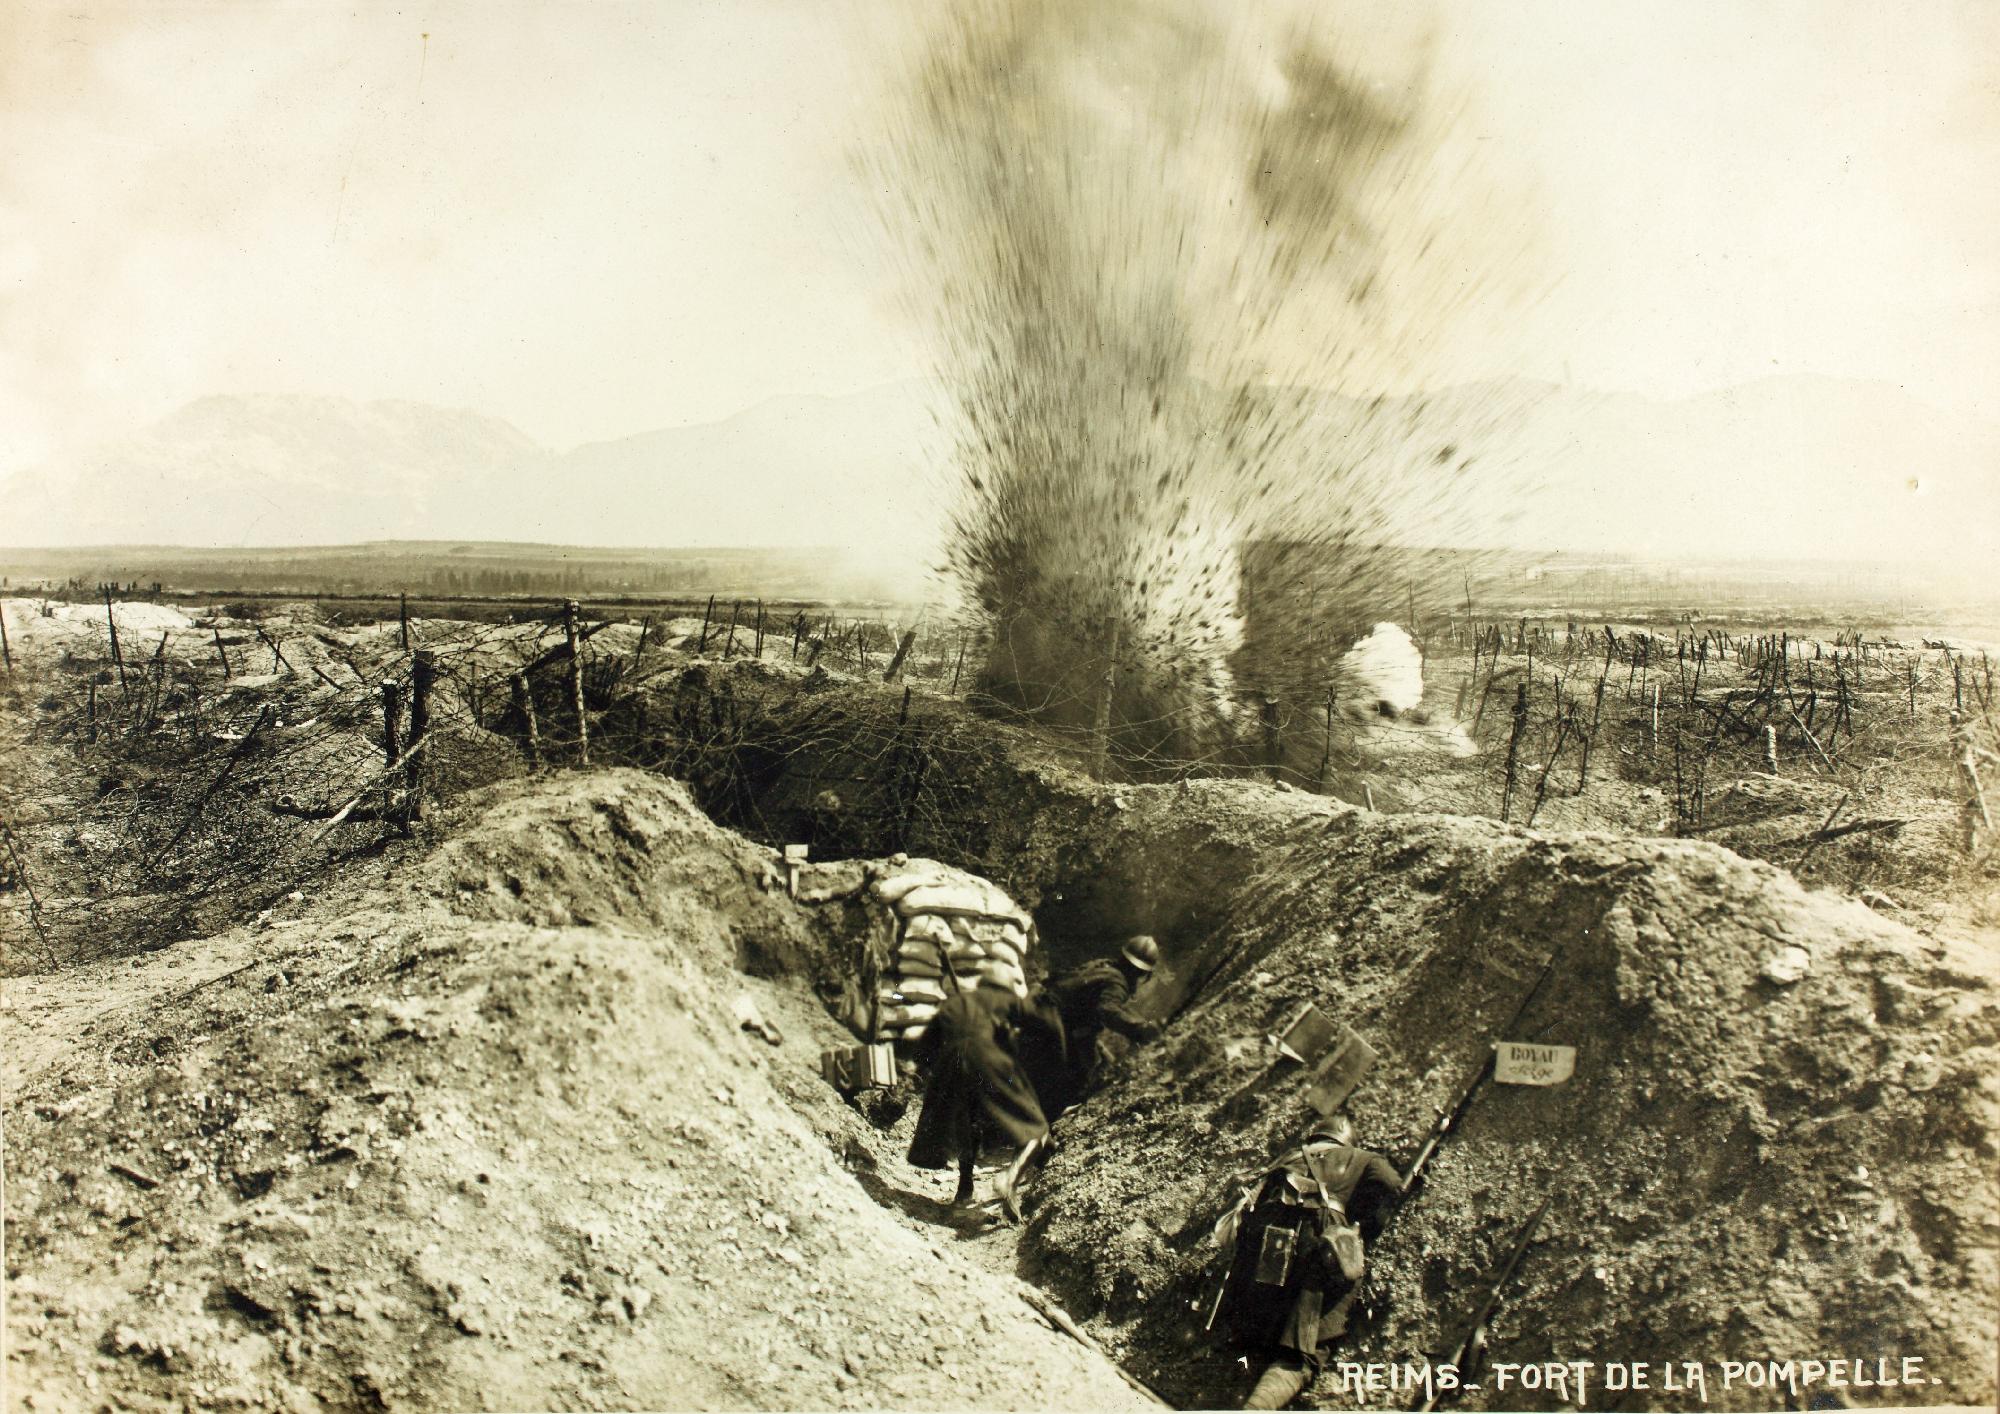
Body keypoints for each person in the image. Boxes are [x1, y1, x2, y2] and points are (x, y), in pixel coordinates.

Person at [1213, 1115, 1407, 1410]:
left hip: (1268, 1243)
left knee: (1261, 1324)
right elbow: (1394, 1185)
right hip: (1317, 1238)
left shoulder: (1290, 1155)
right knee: (1304, 1350)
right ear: (1347, 1141)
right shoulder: (1363, 1158)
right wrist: (1362, 1220)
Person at [905, 976, 1051, 1222]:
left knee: (967, 1124)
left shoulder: (955, 1003)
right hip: (987, 1058)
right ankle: (1009, 1179)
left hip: (950, 1063)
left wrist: (924, 1075)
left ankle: (964, 1192)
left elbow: (925, 1049)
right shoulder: (1006, 1000)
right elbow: (1041, 1025)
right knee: (1038, 1127)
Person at [1045, 934, 1163, 1109]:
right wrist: (1139, 1029)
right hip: (1056, 1025)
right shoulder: (1118, 982)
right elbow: (1108, 1010)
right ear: (1144, 973)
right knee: (1080, 1077)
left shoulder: (1102, 966)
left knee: (1097, 1061)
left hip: (1048, 1011)